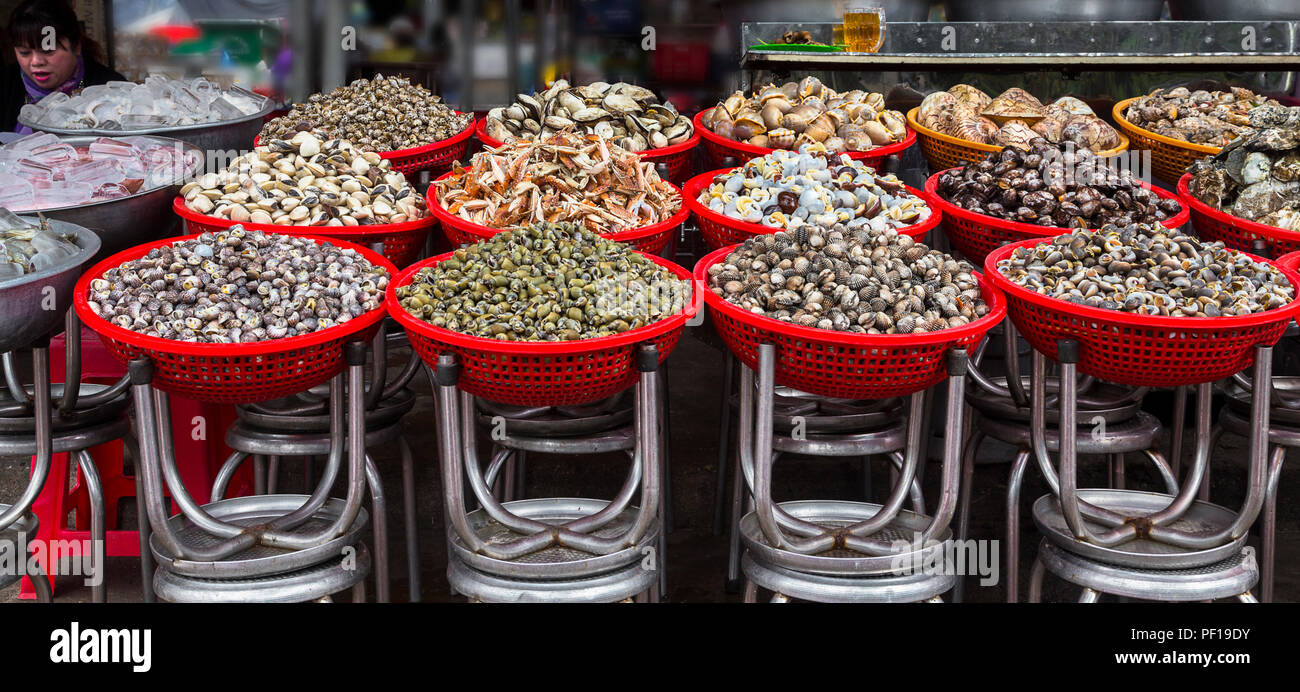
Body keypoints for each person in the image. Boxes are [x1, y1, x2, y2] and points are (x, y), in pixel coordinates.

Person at [2, 0, 125, 133]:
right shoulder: (5, 85)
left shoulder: (112, 88)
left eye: (48, 51)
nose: (36, 62)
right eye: (24, 53)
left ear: (76, 46)